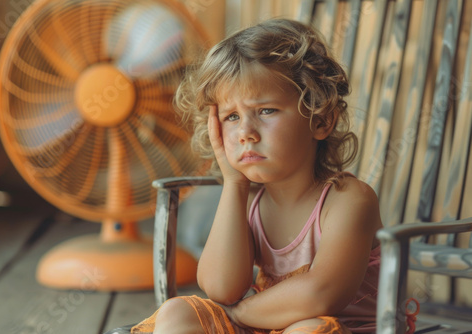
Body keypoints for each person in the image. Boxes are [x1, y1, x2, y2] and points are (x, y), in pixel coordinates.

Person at [132, 18, 383, 334]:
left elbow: (321, 294)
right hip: (264, 327)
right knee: (178, 312)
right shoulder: (250, 201)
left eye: (266, 111)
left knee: (310, 330)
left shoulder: (348, 200)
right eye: (232, 117)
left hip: (334, 329)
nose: (245, 133)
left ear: (320, 120)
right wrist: (235, 183)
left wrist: (238, 314)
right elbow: (221, 288)